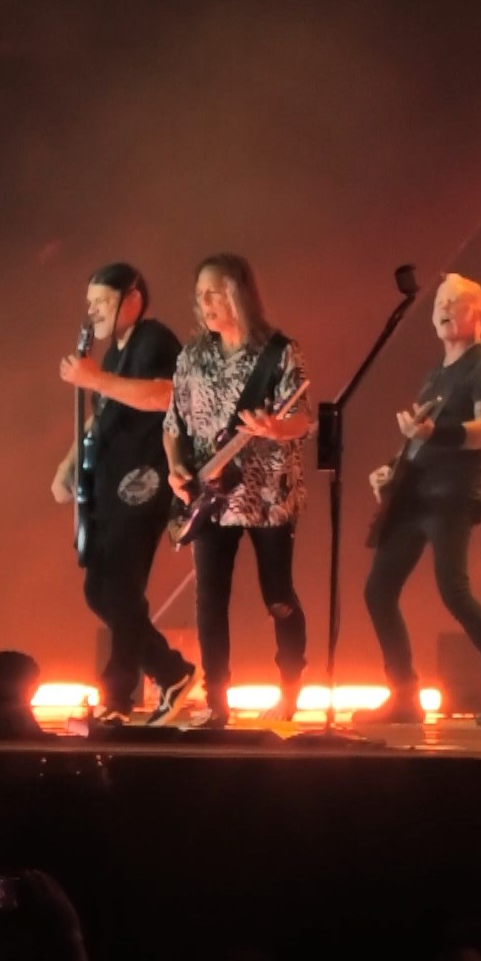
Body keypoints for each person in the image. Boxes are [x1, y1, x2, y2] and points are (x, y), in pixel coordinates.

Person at [357, 273, 481, 727]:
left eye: (454, 302)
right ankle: (403, 696)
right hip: (416, 494)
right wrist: (391, 468)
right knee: (378, 590)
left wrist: (436, 433)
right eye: (439, 302)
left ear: (476, 313)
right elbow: (420, 438)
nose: (443, 309)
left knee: (454, 591)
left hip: (452, 495)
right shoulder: (436, 373)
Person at [163, 254, 313, 729]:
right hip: (211, 495)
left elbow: (303, 417)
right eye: (200, 294)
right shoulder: (192, 357)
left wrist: (275, 428)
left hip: (268, 495)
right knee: (210, 599)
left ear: (240, 293)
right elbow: (173, 424)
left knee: (277, 594)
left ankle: (290, 687)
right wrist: (175, 469)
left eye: (215, 292)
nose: (205, 302)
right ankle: (217, 702)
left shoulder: (278, 352)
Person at [54, 263, 197, 726]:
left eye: (102, 300)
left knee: (119, 586)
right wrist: (68, 464)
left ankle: (117, 696)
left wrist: (94, 379)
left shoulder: (154, 339)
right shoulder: (114, 354)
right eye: (90, 302)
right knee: (101, 590)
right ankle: (170, 671)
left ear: (132, 299)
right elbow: (101, 413)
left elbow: (165, 396)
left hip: (144, 480)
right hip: (110, 484)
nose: (92, 311)